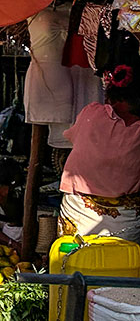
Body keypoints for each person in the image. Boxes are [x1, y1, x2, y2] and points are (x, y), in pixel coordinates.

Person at [58, 64, 140, 242]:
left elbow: (74, 138)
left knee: (73, 264)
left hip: (78, 210)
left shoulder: (91, 113)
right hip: (122, 218)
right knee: (121, 268)